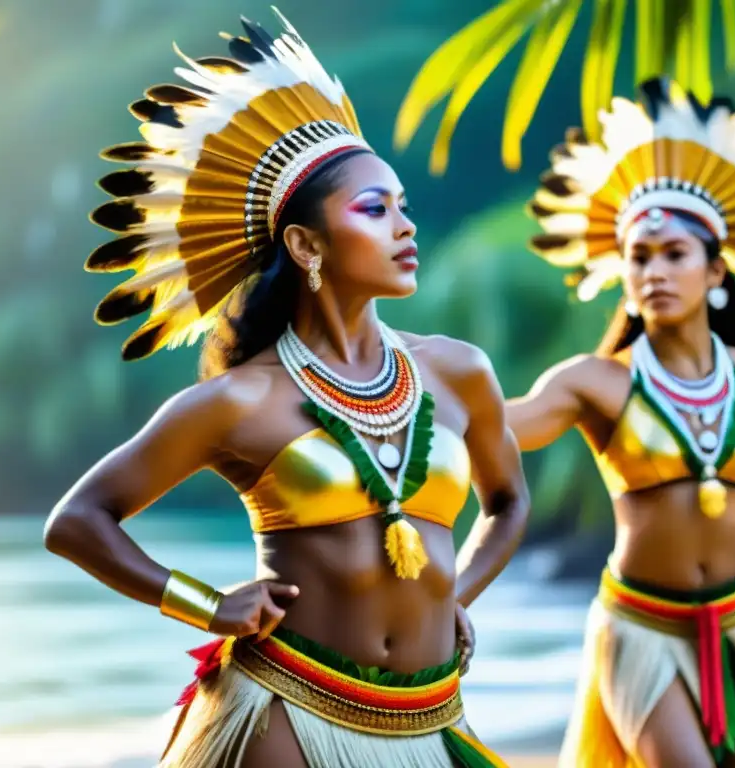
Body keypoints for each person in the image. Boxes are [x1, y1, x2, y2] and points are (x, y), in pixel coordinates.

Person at [43, 9, 529, 768]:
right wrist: (206, 603)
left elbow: (509, 503)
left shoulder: (459, 371)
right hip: (289, 714)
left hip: (431, 718)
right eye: (374, 210)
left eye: (402, 206)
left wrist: (455, 594)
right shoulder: (239, 402)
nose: (405, 227)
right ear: (304, 244)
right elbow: (77, 521)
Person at [506, 77, 735, 767]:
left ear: (715, 272)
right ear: (622, 275)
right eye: (639, 258)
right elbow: (506, 425)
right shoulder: (597, 381)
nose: (655, 270)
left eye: (675, 255)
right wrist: (410, 380)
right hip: (640, 627)